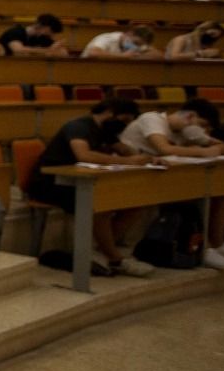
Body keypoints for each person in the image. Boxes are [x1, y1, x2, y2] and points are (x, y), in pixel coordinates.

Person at [26, 99, 155, 276]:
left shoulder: (106, 130)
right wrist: (127, 161)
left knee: (133, 204)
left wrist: (149, 159)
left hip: (81, 182)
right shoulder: (78, 127)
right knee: (99, 205)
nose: (124, 126)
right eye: (124, 121)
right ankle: (115, 258)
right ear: (110, 113)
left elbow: (125, 151)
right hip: (52, 184)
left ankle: (101, 252)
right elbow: (84, 155)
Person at [118, 99, 224, 270]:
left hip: (165, 177)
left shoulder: (187, 132)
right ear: (190, 116)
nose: (205, 132)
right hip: (136, 175)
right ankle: (204, 249)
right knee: (198, 192)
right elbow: (165, 149)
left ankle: (217, 244)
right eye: (203, 126)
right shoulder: (152, 119)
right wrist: (203, 151)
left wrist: (203, 140)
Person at [0, 14, 69, 57]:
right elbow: (18, 50)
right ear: (44, 28)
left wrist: (52, 51)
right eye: (51, 32)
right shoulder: (15, 32)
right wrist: (48, 50)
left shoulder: (42, 37)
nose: (52, 36)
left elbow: (64, 53)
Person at [82, 25, 159, 59]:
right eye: (135, 43)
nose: (136, 46)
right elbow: (93, 53)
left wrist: (142, 55)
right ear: (129, 34)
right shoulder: (108, 38)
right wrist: (123, 56)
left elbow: (158, 56)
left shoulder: (139, 44)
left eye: (139, 45)